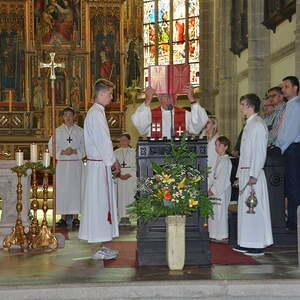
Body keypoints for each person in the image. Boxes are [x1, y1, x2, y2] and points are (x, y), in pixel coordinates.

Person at [79, 78, 120, 260]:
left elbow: (104, 141)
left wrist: (111, 159)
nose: (111, 97)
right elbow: (103, 141)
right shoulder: (95, 114)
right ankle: (99, 246)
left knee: (102, 205)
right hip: (99, 166)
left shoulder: (97, 112)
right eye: (110, 94)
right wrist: (112, 161)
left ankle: (102, 244)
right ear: (102, 93)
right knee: (100, 206)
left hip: (99, 164)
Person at [233, 93, 273, 256]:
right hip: (244, 173)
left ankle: (257, 244)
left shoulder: (257, 124)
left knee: (254, 209)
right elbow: (244, 153)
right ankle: (246, 241)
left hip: (252, 174)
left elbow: (259, 152)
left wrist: (254, 175)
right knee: (245, 211)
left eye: (243, 104)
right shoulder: (249, 124)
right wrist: (238, 174)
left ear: (251, 106)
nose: (241, 107)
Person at [48, 107, 85, 229]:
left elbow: (86, 147)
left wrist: (75, 150)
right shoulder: (57, 131)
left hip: (76, 165)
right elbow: (51, 147)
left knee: (76, 189)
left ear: (74, 116)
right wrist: (62, 152)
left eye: (70, 115)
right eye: (65, 115)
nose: (68, 117)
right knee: (62, 190)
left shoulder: (80, 131)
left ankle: (76, 218)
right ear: (62, 117)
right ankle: (62, 218)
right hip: (63, 165)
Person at [131, 86, 208, 139]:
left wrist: (192, 99)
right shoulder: (150, 114)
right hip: (156, 155)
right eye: (165, 96)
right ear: (159, 98)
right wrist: (147, 100)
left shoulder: (185, 114)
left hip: (180, 157)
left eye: (172, 96)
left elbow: (199, 125)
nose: (169, 99)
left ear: (176, 98)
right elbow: (140, 126)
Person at [276, 76, 300, 231]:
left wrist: (280, 147)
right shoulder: (289, 105)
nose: (283, 90)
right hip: (287, 148)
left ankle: (294, 221)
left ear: (295, 88)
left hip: (292, 148)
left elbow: (291, 131)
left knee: (293, 185)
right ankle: (290, 218)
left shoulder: (296, 105)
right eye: (283, 87)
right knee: (288, 185)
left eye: (286, 86)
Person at [208, 136, 232, 243]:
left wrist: (213, 189)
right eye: (215, 145)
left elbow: (222, 179)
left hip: (221, 191)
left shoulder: (226, 161)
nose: (216, 148)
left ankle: (222, 235)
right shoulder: (219, 159)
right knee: (215, 212)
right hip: (217, 189)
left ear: (225, 147)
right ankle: (214, 234)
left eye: (218, 145)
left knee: (221, 213)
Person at [114, 133, 137, 225]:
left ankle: (129, 217)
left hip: (130, 178)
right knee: (119, 197)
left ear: (129, 141)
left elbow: (137, 165)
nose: (123, 142)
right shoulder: (115, 152)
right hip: (119, 178)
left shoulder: (134, 152)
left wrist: (130, 174)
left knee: (129, 197)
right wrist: (119, 174)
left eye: (125, 140)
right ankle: (121, 217)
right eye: (121, 140)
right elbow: (112, 166)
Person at [200, 116, 219, 188]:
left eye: (208, 123)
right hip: (203, 168)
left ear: (214, 125)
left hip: (213, 170)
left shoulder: (217, 139)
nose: (205, 124)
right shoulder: (202, 137)